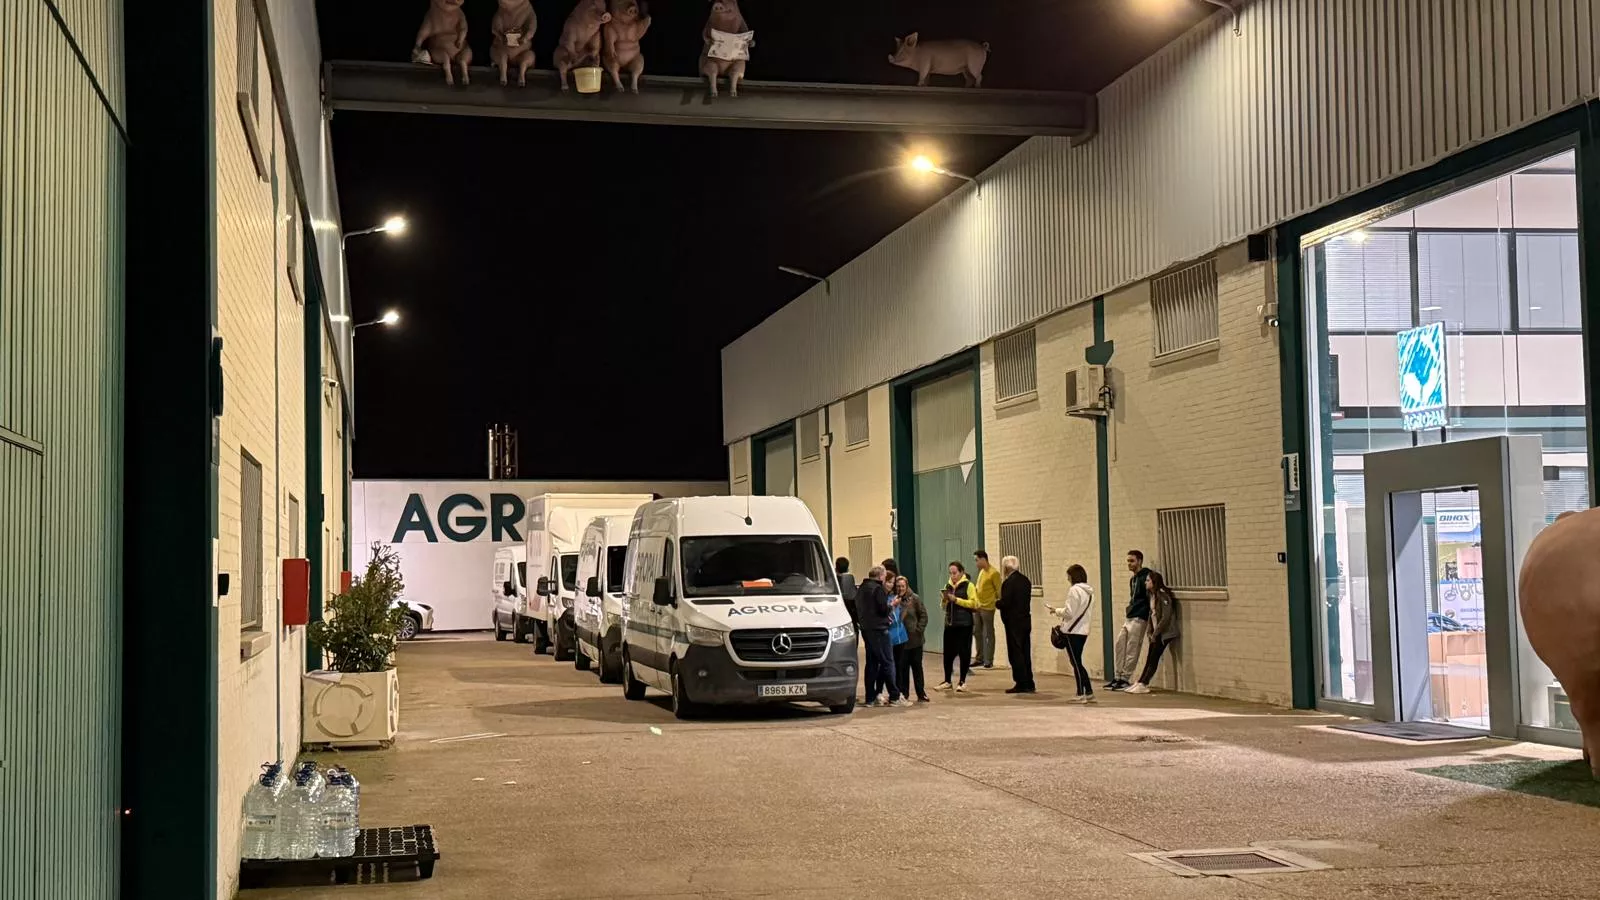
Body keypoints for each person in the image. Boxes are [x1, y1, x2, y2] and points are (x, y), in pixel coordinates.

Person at [1125, 571, 1180, 695]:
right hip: (1156, 632)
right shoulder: (1151, 595)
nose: (1145, 582)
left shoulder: (1163, 595)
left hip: (1165, 633)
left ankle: (1144, 683)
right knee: (1149, 657)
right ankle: (1140, 681)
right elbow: (1152, 614)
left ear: (1154, 582)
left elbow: (1165, 617)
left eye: (1148, 580)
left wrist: (1156, 633)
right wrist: (1150, 631)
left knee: (1154, 657)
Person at [855, 566, 903, 707]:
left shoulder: (861, 589)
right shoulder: (878, 589)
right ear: (881, 576)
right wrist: (892, 605)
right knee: (888, 662)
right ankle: (894, 695)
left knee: (872, 663)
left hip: (866, 629)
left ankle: (870, 697)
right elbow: (883, 609)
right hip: (879, 629)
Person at [1047, 564, 1096, 702]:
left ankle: (1081, 693)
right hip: (1083, 630)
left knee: (1076, 663)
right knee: (1077, 661)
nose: (1067, 578)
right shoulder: (1089, 592)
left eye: (1068, 576)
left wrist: (1056, 610)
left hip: (1072, 631)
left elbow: (1069, 613)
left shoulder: (1074, 590)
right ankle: (1089, 692)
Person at [1108, 550, 1153, 691]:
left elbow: (1149, 597)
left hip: (1140, 617)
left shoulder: (1146, 576)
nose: (1129, 564)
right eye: (1128, 561)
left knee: (1132, 648)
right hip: (1130, 615)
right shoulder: (1132, 579)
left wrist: (1150, 618)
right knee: (1119, 644)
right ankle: (1117, 676)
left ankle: (1125, 678)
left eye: (1132, 561)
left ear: (1139, 561)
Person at [937, 562, 979, 692]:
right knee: (948, 654)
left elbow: (974, 603)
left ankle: (962, 681)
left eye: (954, 573)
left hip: (964, 624)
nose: (952, 576)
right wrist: (944, 600)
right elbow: (943, 607)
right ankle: (947, 680)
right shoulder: (947, 586)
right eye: (950, 573)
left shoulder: (969, 586)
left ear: (961, 572)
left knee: (964, 652)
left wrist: (956, 600)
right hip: (950, 624)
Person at [996, 555, 1035, 694]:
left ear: (1006, 568)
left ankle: (1021, 682)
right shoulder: (1026, 581)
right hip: (1025, 620)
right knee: (1025, 652)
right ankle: (1029, 681)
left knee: (1015, 653)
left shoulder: (1008, 583)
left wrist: (996, 603)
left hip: (1013, 623)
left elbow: (1006, 602)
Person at [892, 575, 930, 702]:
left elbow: (923, 615)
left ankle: (921, 692)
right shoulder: (894, 600)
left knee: (917, 667)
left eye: (903, 586)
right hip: (901, 640)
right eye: (898, 586)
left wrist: (919, 629)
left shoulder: (915, 599)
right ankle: (904, 693)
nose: (900, 588)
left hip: (915, 640)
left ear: (907, 586)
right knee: (903, 669)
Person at [972, 550, 1001, 668]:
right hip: (978, 606)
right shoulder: (981, 572)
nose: (976, 563)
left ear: (983, 559)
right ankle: (979, 657)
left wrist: (995, 602)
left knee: (988, 633)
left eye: (977, 560)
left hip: (988, 607)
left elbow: (999, 591)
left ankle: (989, 660)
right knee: (977, 631)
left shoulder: (993, 573)